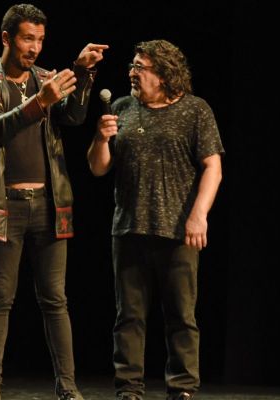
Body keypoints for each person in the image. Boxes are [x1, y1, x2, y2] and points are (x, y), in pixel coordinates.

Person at [0, 4, 107, 400]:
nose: (35, 48)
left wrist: (82, 72)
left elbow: (74, 118)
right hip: (3, 204)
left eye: (41, 40)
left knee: (55, 300)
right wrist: (39, 102)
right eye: (28, 38)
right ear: (6, 37)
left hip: (48, 202)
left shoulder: (47, 78)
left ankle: (67, 386)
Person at [87, 39, 224, 400]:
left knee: (181, 316)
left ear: (163, 75)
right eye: (132, 66)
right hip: (129, 228)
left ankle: (181, 388)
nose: (132, 73)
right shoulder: (121, 108)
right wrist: (101, 140)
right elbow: (98, 168)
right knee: (128, 318)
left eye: (140, 67)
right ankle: (129, 388)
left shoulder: (195, 111)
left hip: (178, 231)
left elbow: (213, 167)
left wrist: (198, 216)